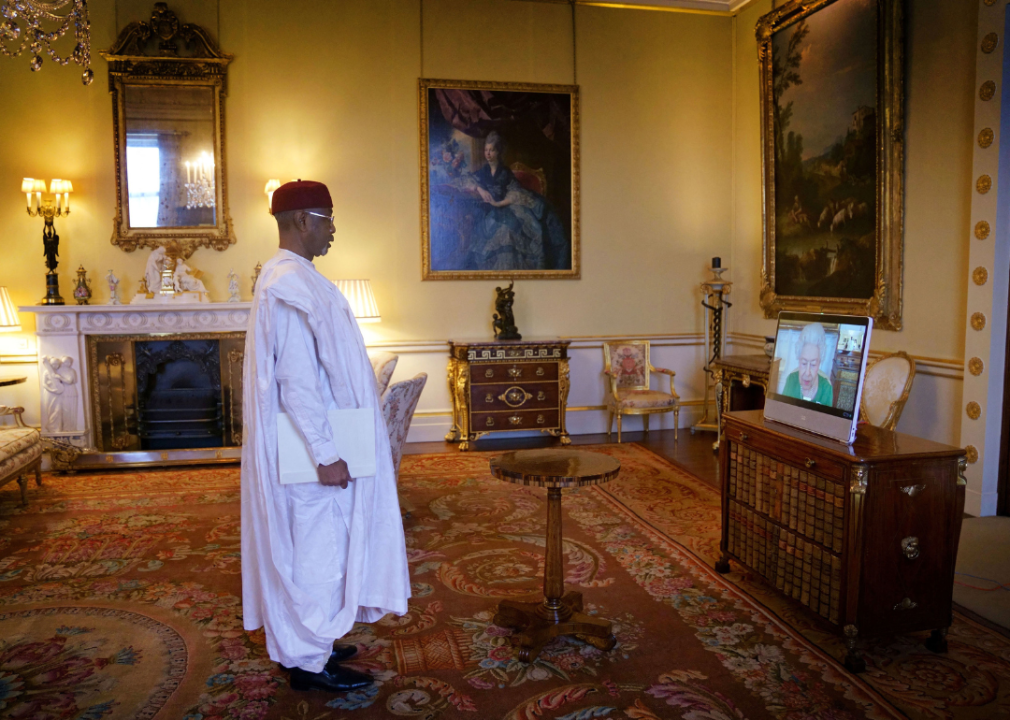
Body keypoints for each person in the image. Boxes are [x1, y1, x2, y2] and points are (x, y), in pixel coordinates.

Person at [241, 180, 410, 693]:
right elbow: (295, 380)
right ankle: (307, 664)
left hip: (320, 444)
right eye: (327, 218)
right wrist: (326, 454)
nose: (334, 228)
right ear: (300, 221)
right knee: (313, 550)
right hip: (308, 452)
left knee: (324, 545)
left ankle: (316, 641)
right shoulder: (286, 283)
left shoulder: (300, 277)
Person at [466, 131, 569, 271]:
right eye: (485, 150)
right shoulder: (483, 171)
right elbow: (468, 180)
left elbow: (515, 193)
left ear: (498, 152)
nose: (488, 153)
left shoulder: (505, 172)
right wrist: (479, 188)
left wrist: (498, 203)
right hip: (487, 212)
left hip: (505, 208)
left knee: (508, 232)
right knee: (483, 235)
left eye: (492, 150)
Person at [782, 322, 833, 406]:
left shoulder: (826, 387)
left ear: (819, 363)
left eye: (813, 364)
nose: (807, 373)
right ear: (799, 360)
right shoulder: (791, 380)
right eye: (804, 363)